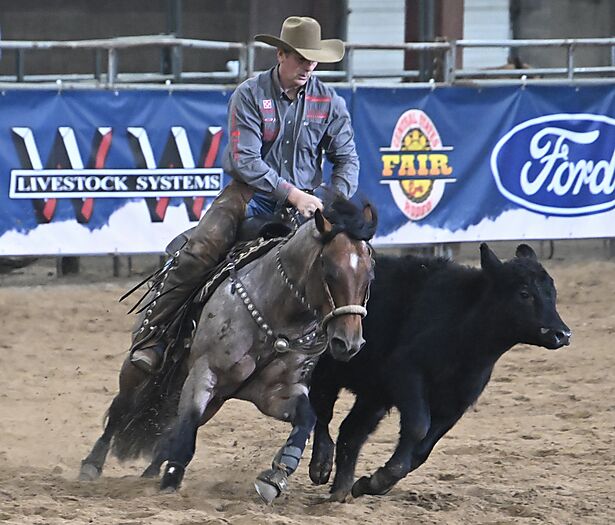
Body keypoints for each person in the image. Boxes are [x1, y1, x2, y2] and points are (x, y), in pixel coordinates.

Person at [129, 16, 360, 373]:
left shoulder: (329, 102)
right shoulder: (251, 95)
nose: (308, 67)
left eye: (313, 60)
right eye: (301, 58)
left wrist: (333, 200)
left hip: (308, 204)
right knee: (201, 250)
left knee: (351, 264)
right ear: (281, 55)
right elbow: (245, 160)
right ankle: (154, 336)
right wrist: (294, 195)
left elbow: (347, 159)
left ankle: (336, 344)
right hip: (249, 196)